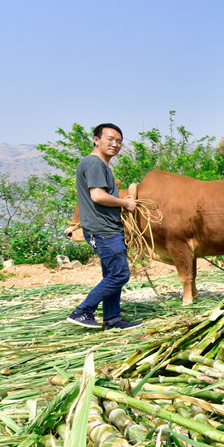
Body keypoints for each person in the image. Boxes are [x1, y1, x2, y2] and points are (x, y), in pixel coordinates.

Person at [65, 123, 142, 331]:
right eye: (110, 139)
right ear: (96, 139)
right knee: (120, 275)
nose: (115, 144)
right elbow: (97, 195)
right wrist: (125, 203)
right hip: (104, 230)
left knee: (111, 276)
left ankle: (113, 320)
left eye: (119, 142)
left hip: (104, 228)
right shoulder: (95, 163)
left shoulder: (98, 164)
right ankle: (82, 311)